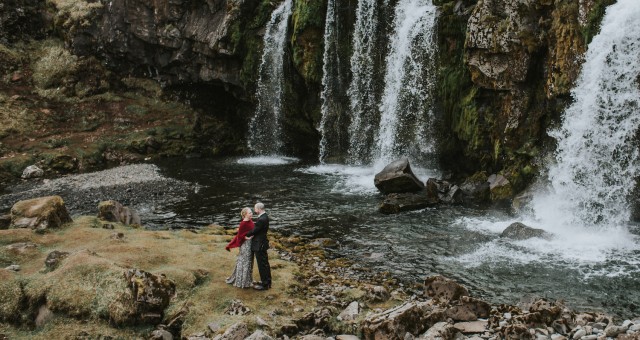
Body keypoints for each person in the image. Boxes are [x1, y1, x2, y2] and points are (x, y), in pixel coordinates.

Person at [224, 207, 254, 288]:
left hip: (250, 244)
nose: (251, 214)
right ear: (245, 214)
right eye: (250, 213)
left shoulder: (250, 221)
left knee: (249, 261)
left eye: (251, 212)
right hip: (245, 245)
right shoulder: (243, 223)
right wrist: (246, 238)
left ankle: (248, 280)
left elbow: (252, 230)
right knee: (244, 261)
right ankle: (241, 281)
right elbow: (240, 235)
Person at [245, 202, 272, 290]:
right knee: (265, 263)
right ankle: (268, 282)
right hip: (263, 242)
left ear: (259, 209)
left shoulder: (261, 219)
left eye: (255, 208)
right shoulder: (265, 216)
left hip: (259, 244)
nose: (254, 210)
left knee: (262, 264)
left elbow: (255, 230)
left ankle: (264, 285)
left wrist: (245, 234)